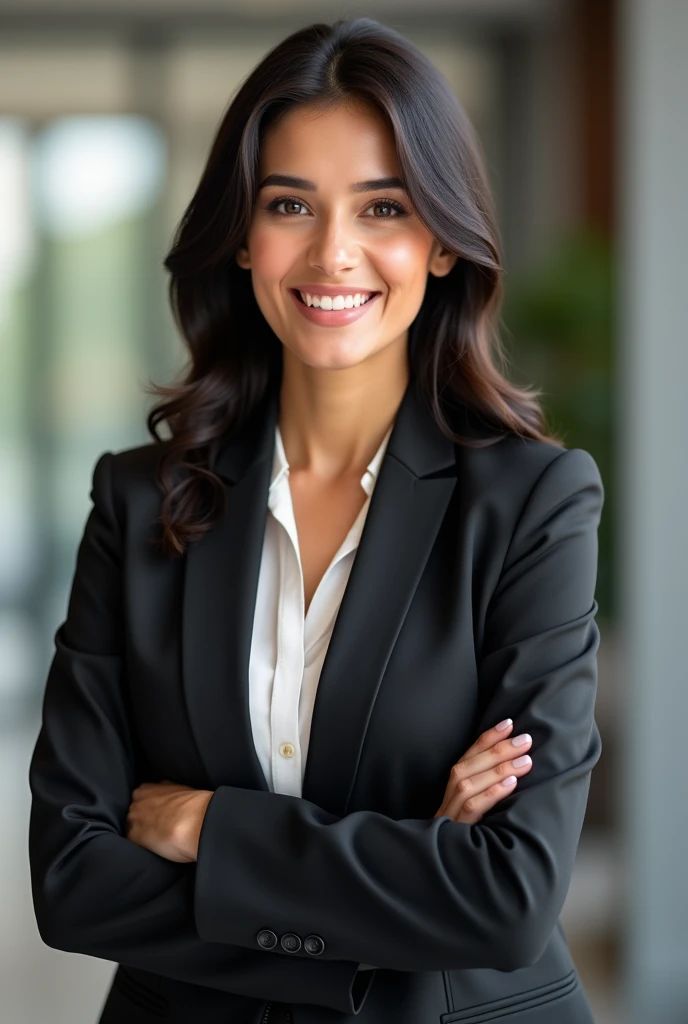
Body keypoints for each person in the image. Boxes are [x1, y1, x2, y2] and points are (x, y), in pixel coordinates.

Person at [28, 16, 604, 1024]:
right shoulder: (138, 501)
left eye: (382, 206)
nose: (334, 252)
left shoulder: (532, 505)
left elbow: (507, 899)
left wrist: (214, 830)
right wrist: (412, 864)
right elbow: (73, 878)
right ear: (243, 241)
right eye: (290, 203)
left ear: (436, 243)